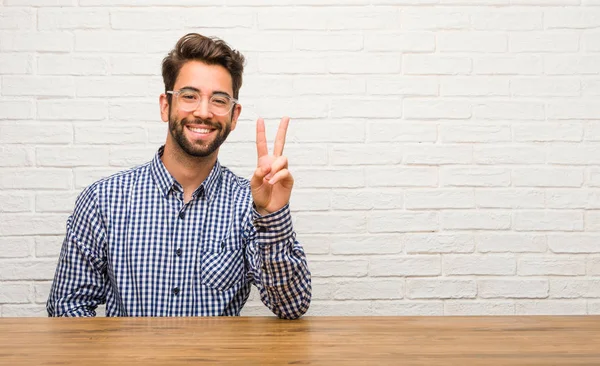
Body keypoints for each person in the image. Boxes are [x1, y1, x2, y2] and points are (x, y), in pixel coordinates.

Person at [46, 33, 312, 319]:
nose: (203, 111)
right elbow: (67, 306)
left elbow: (291, 306)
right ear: (165, 105)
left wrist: (272, 216)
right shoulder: (103, 200)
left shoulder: (247, 203)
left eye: (219, 100)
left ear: (234, 117)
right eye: (189, 96)